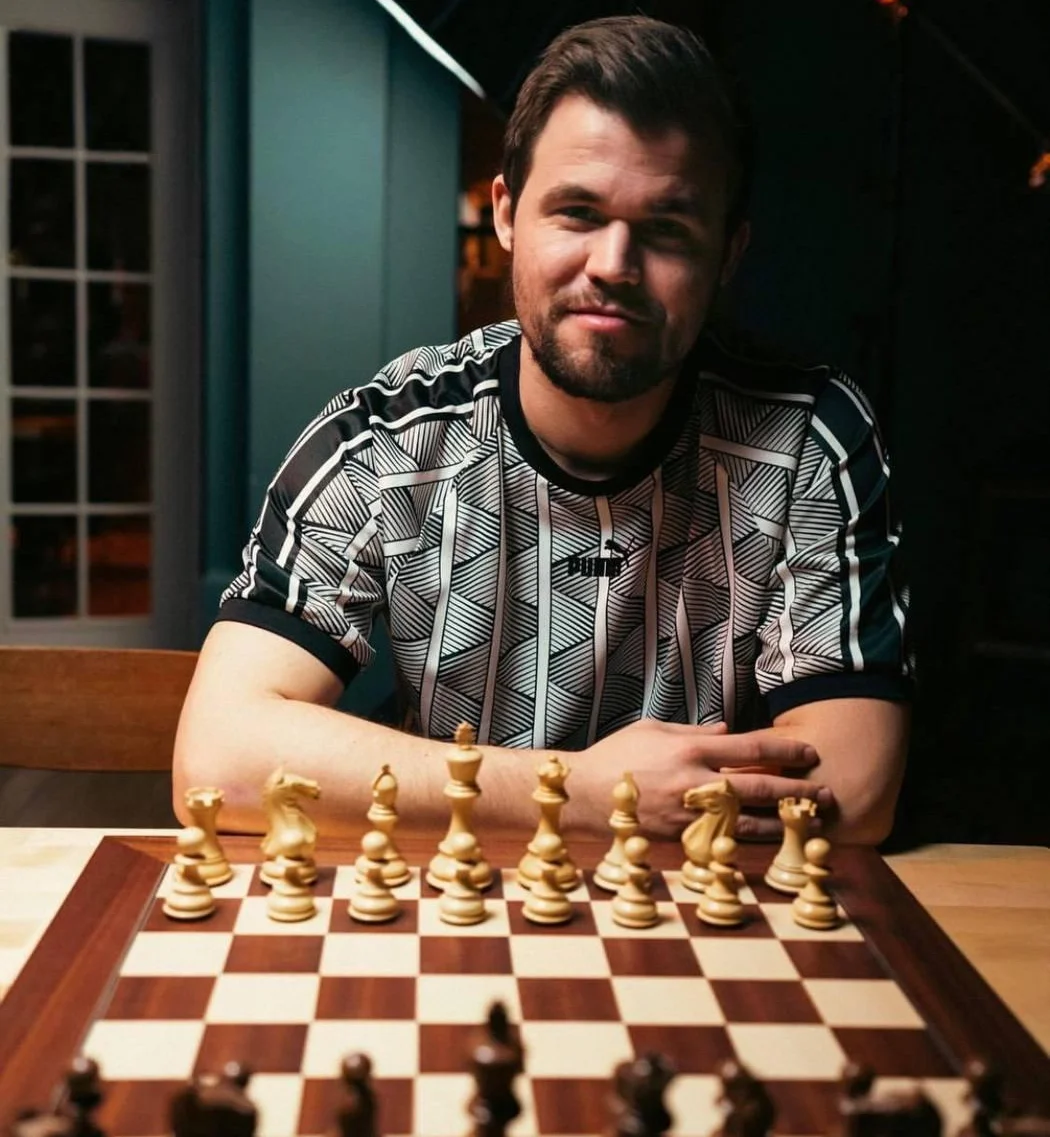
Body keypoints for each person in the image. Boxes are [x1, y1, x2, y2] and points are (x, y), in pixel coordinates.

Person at [173, 16, 912, 843]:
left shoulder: (809, 439)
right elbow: (217, 757)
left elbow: (855, 785)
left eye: (668, 228)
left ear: (729, 253)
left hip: (704, 908)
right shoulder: (383, 441)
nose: (613, 265)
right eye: (578, 212)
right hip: (452, 900)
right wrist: (581, 791)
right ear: (507, 214)